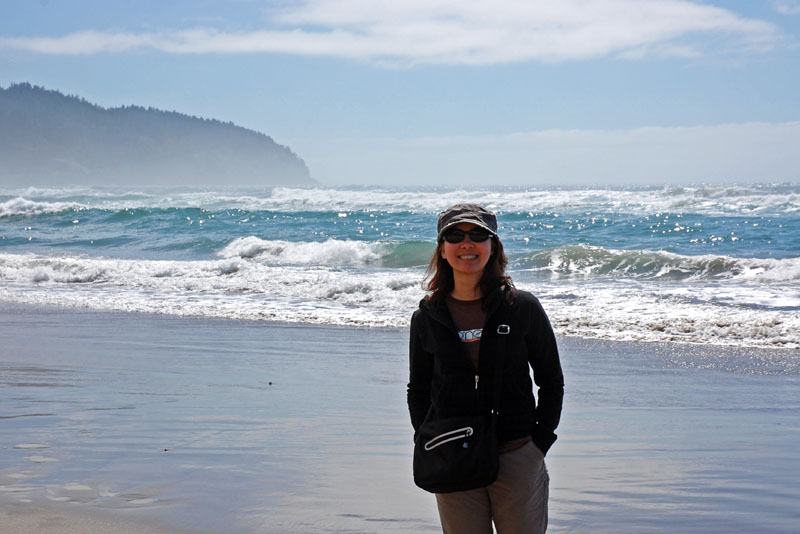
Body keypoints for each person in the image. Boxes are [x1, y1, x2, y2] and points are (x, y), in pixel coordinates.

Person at [407, 203, 564, 534]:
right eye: (455, 235)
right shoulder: (427, 317)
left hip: (517, 454)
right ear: (443, 249)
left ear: (493, 247)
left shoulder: (522, 307)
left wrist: (538, 446)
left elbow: (551, 382)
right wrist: (427, 439)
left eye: (478, 234)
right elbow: (418, 389)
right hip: (452, 459)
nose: (467, 244)